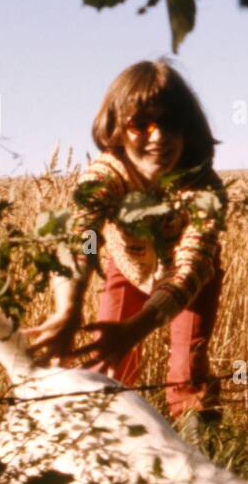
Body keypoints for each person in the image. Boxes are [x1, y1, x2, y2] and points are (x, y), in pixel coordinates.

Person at [27, 59, 227, 433]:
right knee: (107, 366)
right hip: (127, 265)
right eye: (141, 124)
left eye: (171, 123)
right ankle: (111, 450)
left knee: (189, 372)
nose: (158, 137)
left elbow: (191, 266)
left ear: (189, 128)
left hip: (191, 282)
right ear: (117, 130)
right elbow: (82, 236)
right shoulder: (106, 174)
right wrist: (68, 307)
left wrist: (139, 328)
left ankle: (201, 454)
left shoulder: (204, 186)